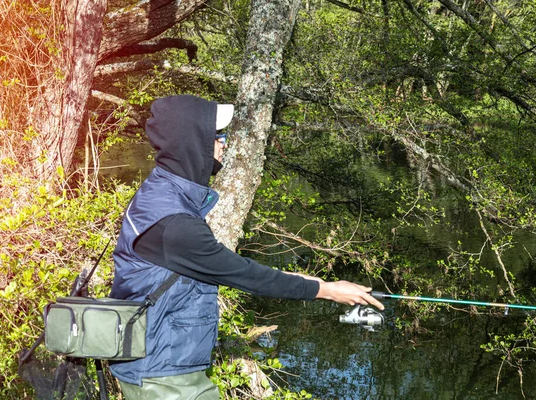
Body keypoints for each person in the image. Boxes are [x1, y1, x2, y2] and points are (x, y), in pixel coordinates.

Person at [109, 94, 384, 399]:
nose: (224, 142)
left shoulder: (164, 192)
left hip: (158, 364)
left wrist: (323, 283)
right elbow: (246, 275)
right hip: (162, 376)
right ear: (192, 141)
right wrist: (327, 290)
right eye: (217, 136)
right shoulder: (174, 224)